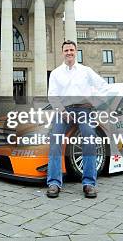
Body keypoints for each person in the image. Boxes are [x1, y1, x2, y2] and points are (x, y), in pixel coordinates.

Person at [46, 40, 108, 199]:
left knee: (89, 138)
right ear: (62, 53)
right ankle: (54, 183)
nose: (69, 53)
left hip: (83, 110)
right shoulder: (56, 73)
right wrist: (63, 111)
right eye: (66, 50)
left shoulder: (86, 71)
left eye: (71, 50)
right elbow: (52, 96)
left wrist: (95, 103)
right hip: (63, 111)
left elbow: (103, 86)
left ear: (76, 51)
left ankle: (89, 183)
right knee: (55, 140)